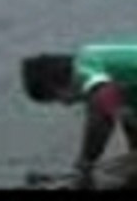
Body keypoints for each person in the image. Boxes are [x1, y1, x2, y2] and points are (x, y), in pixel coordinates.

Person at [22, 42, 137, 189]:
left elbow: (101, 111)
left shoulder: (85, 66)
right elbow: (128, 117)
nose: (65, 104)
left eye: (57, 98)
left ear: (57, 83)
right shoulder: (117, 76)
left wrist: (86, 161)